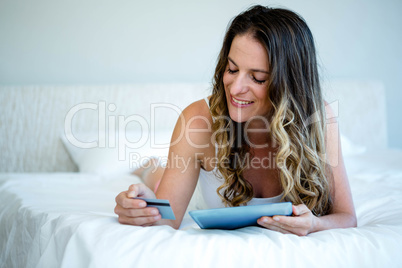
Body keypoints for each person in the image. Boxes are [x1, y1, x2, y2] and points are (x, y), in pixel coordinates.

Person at [114, 5, 357, 235]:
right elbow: (168, 217)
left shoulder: (318, 117)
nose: (236, 88)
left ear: (289, 85)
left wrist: (315, 224)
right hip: (198, 194)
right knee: (157, 176)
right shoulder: (197, 121)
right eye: (231, 69)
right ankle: (148, 168)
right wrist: (143, 205)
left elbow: (346, 217)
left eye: (258, 78)